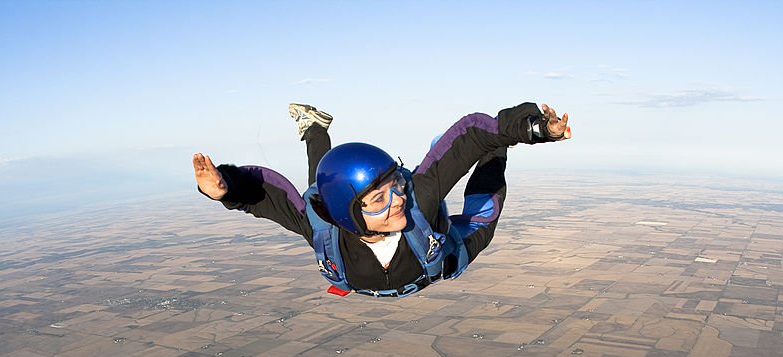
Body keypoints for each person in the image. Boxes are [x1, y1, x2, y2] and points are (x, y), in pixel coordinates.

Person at [192, 101, 571, 298]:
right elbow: (267, 194)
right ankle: (314, 129)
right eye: (376, 200)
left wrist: (530, 128)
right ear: (348, 216)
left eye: (396, 185)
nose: (396, 202)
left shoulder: (418, 199)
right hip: (374, 245)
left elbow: (469, 134)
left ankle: (499, 150)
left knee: (482, 213)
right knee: (319, 187)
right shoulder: (326, 225)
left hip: (440, 254)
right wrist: (226, 187)